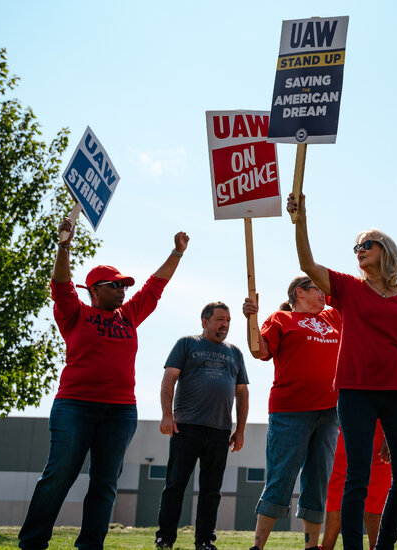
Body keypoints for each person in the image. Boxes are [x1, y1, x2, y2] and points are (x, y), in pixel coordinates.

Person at [19, 216, 188, 550]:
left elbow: (154, 286)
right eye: (116, 285)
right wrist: (64, 246)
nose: (123, 290)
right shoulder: (75, 313)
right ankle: (33, 543)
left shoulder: (130, 316)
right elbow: (61, 285)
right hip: (75, 407)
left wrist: (177, 253)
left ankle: (90, 545)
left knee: (105, 483)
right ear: (95, 289)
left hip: (120, 412)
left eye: (125, 285)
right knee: (58, 476)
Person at [288, 193, 397, 550]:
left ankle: (383, 546)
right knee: (357, 474)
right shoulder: (348, 287)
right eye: (356, 246)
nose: (359, 249)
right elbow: (308, 263)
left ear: (385, 250)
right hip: (355, 390)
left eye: (367, 244)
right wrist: (302, 219)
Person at [242, 276, 342, 550]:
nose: (323, 294)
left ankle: (311, 547)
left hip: (330, 412)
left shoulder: (333, 317)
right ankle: (258, 546)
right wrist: (252, 318)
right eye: (316, 289)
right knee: (281, 478)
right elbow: (258, 351)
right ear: (299, 292)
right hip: (291, 411)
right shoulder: (281, 319)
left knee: (317, 481)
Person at [155, 302, 249, 550]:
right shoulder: (187, 343)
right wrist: (167, 414)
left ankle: (205, 540)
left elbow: (242, 393)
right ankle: (165, 537)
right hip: (186, 427)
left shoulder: (235, 353)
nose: (225, 325)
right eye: (220, 319)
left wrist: (240, 430)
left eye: (228, 320)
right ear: (204, 321)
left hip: (220, 431)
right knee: (175, 485)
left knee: (211, 490)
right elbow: (169, 378)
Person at [321, 425, 392, 550]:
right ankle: (326, 547)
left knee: (375, 499)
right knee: (336, 495)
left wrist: (391, 434)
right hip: (345, 427)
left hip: (380, 430)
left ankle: (376, 547)